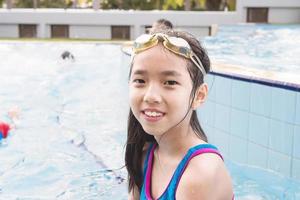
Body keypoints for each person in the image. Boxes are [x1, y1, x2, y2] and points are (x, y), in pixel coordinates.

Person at [125, 30, 234, 199]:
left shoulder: (200, 173)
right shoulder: (144, 157)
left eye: (170, 82)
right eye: (140, 80)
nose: (150, 96)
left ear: (199, 96)